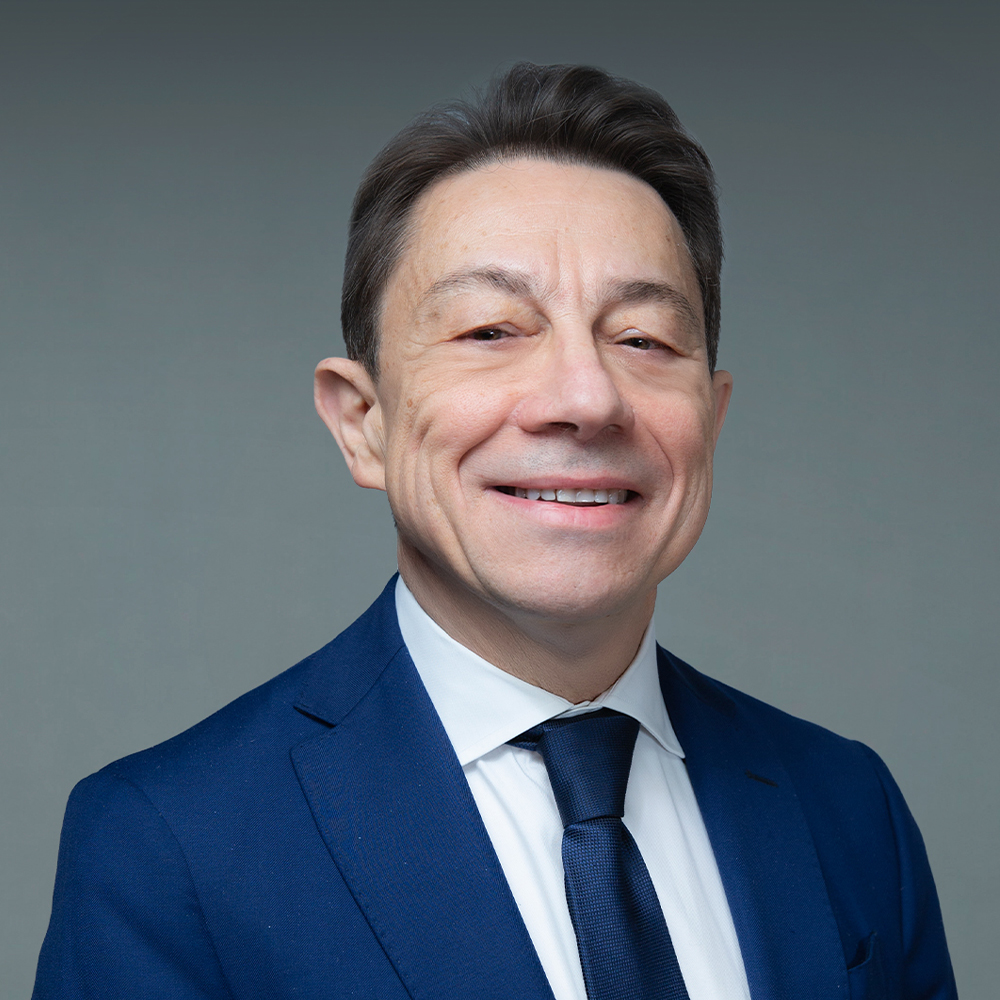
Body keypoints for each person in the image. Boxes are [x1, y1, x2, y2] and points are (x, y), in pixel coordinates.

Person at [33, 62, 956, 1000]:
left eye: (642, 339)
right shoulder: (167, 845)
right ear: (363, 422)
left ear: (710, 422)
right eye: (491, 331)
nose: (587, 399)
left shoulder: (849, 808)